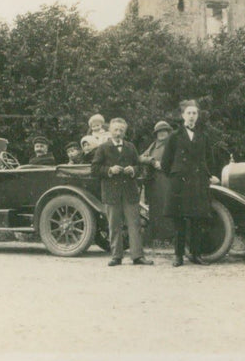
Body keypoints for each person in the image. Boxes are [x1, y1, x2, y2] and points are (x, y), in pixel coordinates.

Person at [161, 100, 220, 267]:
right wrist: (176, 176)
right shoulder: (174, 136)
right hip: (180, 183)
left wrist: (208, 175)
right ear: (183, 116)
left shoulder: (204, 136)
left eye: (195, 113)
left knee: (197, 220)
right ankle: (178, 256)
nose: (192, 116)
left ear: (198, 116)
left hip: (198, 182)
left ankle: (196, 255)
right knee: (179, 221)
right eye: (189, 113)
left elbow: (209, 159)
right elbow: (165, 163)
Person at [91, 118, 153, 266]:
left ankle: (137, 256)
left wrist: (133, 170)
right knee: (114, 225)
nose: (118, 133)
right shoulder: (103, 148)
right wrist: (109, 170)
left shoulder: (131, 147)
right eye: (115, 130)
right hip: (111, 192)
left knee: (134, 224)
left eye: (121, 130)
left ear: (125, 132)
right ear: (110, 131)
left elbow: (139, 166)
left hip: (129, 192)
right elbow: (94, 169)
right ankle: (116, 256)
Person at [138, 120, 173, 243]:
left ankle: (169, 237)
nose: (161, 133)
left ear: (168, 132)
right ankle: (158, 238)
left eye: (164, 131)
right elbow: (140, 157)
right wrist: (152, 160)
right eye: (159, 131)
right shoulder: (153, 145)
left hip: (168, 179)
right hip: (153, 181)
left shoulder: (172, 144)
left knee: (167, 207)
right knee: (155, 208)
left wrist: (164, 165)